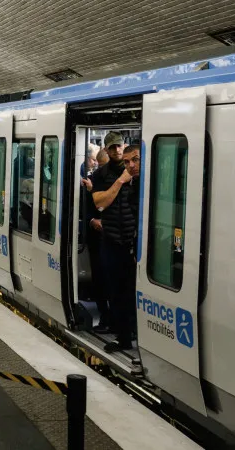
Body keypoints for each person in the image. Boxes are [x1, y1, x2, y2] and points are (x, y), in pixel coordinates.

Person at [91, 134, 141, 352]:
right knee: (116, 291)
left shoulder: (143, 176)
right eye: (112, 148)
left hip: (134, 241)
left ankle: (136, 332)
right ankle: (123, 337)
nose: (117, 151)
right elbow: (100, 203)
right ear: (106, 150)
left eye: (119, 147)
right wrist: (120, 181)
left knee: (133, 291)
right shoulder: (101, 174)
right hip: (111, 240)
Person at [81, 144, 110, 332]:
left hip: (113, 239)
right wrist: (91, 220)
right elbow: (85, 208)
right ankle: (105, 317)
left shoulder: (121, 183)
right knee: (99, 279)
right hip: (96, 239)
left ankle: (114, 319)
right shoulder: (91, 181)